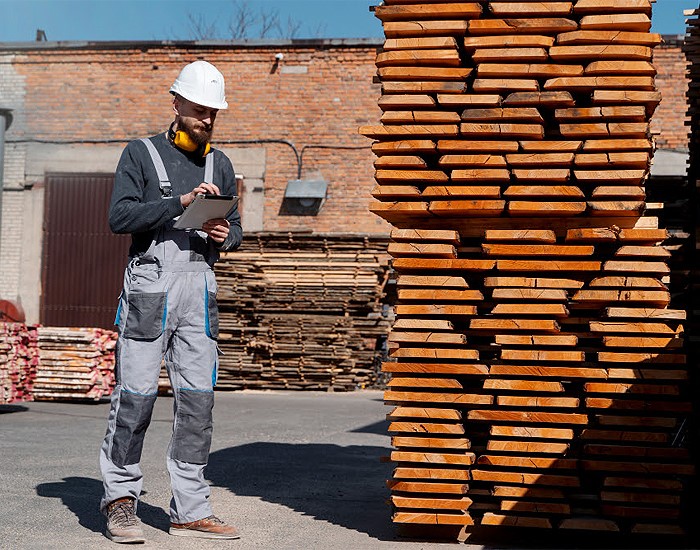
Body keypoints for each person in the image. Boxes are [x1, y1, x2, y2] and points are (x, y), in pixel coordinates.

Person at [98, 60, 242, 544]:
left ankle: (190, 510)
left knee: (198, 404)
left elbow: (237, 229)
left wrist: (225, 235)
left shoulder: (220, 163)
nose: (207, 120)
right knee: (135, 399)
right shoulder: (139, 154)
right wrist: (179, 204)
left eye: (213, 113)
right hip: (150, 289)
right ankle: (120, 501)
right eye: (199, 110)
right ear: (176, 103)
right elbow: (120, 218)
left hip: (199, 291)